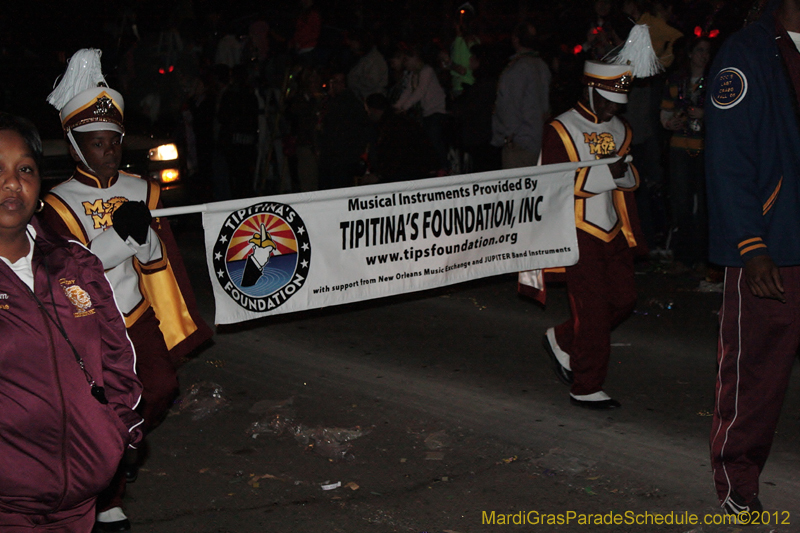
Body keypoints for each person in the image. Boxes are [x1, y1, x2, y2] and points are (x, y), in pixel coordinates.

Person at [41, 49, 213, 532]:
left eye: (114, 141)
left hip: (137, 315)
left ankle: (122, 450)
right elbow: (71, 271)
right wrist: (119, 237)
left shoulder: (142, 187)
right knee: (100, 411)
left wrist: (145, 236)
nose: (109, 151)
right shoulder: (57, 203)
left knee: (160, 389)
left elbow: (157, 260)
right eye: (97, 143)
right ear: (76, 146)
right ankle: (106, 496)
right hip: (92, 324)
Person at [0, 112, 143, 531]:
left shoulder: (75, 263)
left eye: (25, 169)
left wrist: (116, 432)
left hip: (80, 498)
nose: (12, 182)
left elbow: (117, 355)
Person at [705, 0, 800, 517]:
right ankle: (737, 477)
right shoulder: (746, 53)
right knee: (756, 371)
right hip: (775, 245)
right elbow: (728, 157)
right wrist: (751, 246)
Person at [535, 59, 645, 410]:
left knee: (624, 298)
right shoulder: (562, 128)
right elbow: (552, 183)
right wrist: (606, 172)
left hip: (612, 227)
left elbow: (628, 177)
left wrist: (621, 174)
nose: (614, 108)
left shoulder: (621, 128)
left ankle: (564, 338)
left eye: (620, 102)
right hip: (577, 229)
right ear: (591, 90)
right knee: (594, 311)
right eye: (609, 100)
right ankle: (585, 384)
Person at [660, 37, 713, 274]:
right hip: (680, 148)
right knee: (681, 204)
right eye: (700, 50)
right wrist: (672, 121)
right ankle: (682, 257)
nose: (704, 55)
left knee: (703, 206)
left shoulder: (714, 81)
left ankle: (703, 258)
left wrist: (705, 113)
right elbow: (665, 114)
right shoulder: (676, 81)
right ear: (690, 54)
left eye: (707, 51)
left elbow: (724, 114)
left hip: (705, 149)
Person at [491, 17, 552, 169]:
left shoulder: (517, 69)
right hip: (539, 141)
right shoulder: (542, 66)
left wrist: (505, 137)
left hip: (520, 144)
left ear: (516, 40)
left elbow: (508, 107)